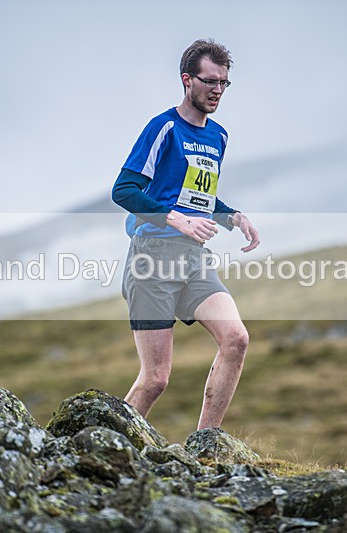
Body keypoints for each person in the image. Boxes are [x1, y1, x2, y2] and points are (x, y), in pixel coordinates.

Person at [111, 38, 260, 431]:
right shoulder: (163, 128)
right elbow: (123, 191)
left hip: (194, 260)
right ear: (186, 80)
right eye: (209, 81)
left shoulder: (219, 136)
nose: (216, 90)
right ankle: (100, 443)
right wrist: (173, 219)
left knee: (237, 339)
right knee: (156, 379)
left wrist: (232, 216)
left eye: (224, 83)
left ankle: (205, 445)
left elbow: (198, 196)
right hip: (151, 259)